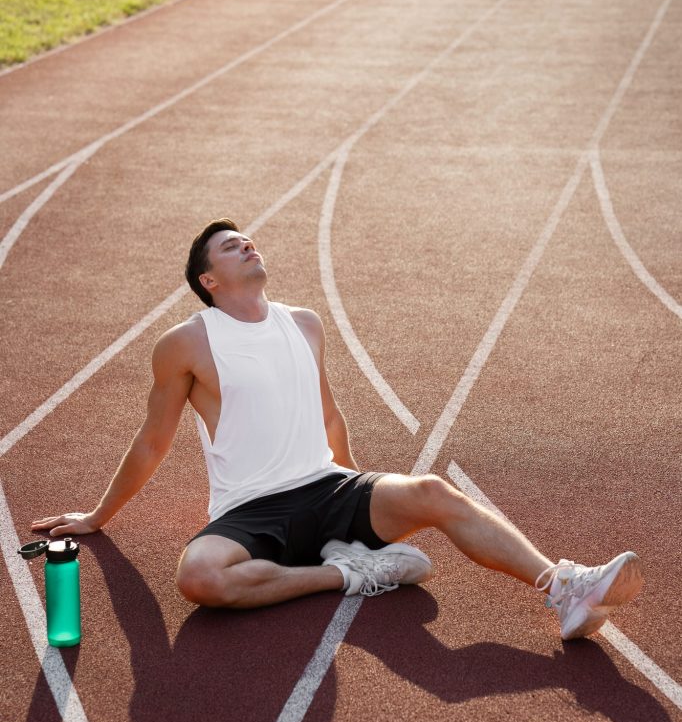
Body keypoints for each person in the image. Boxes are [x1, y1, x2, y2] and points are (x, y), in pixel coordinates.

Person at [32, 218, 643, 640]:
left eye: (245, 238)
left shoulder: (304, 323)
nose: (245, 243)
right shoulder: (186, 344)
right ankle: (351, 573)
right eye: (228, 245)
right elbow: (152, 439)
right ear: (208, 281)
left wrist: (359, 486)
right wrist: (97, 517)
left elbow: (328, 413)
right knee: (198, 577)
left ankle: (564, 585)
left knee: (432, 490)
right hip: (252, 511)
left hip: (331, 488)